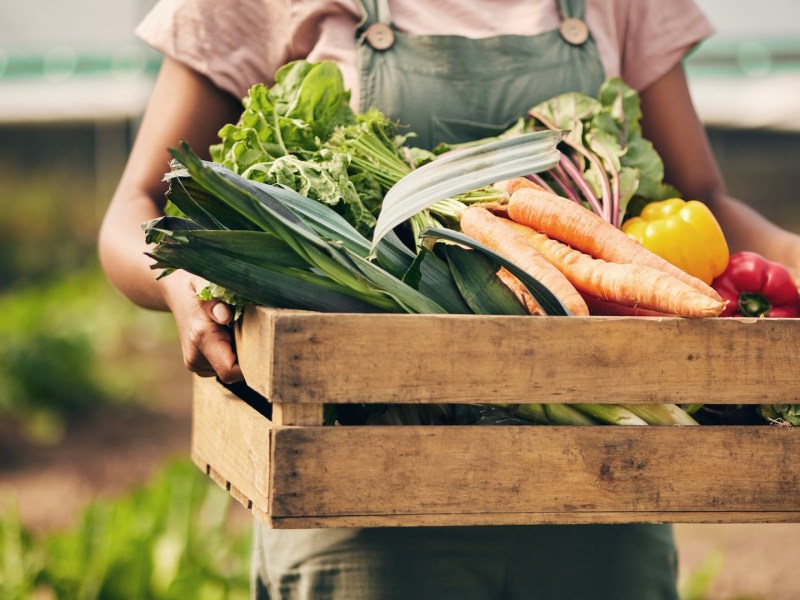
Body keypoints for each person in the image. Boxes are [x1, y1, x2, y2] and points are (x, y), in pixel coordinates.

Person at [98, 1, 800, 598]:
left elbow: (702, 199)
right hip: (362, 498)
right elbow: (135, 208)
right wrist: (182, 288)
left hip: (608, 484)